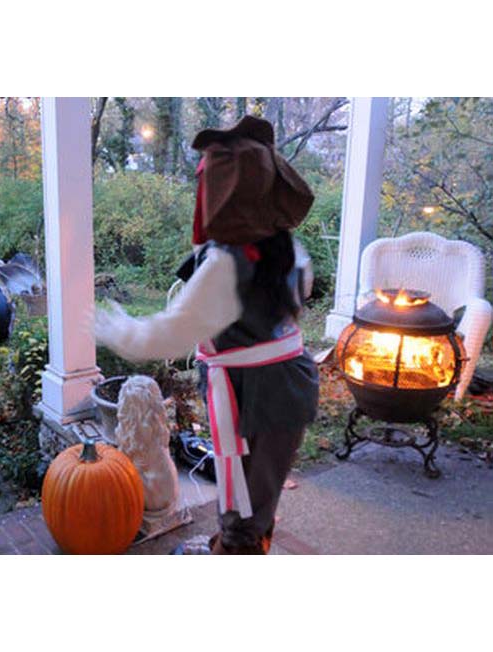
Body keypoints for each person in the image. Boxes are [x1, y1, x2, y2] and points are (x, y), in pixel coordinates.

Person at [94, 116, 320, 555]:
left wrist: (113, 327)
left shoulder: (225, 264)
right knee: (257, 490)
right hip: (286, 386)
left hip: (255, 393)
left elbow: (167, 337)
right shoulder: (288, 247)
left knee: (243, 501)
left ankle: (233, 550)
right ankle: (239, 540)